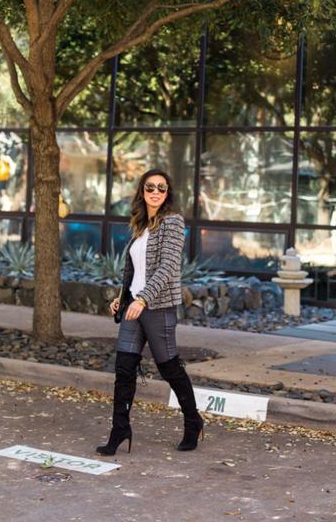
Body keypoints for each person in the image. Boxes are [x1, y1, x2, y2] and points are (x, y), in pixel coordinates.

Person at [96, 168, 204, 456]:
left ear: (168, 193)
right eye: (150, 187)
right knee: (123, 369)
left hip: (157, 307)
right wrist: (122, 297)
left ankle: (193, 421)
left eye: (161, 188)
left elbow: (168, 268)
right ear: (141, 191)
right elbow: (136, 270)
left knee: (169, 368)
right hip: (135, 304)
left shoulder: (173, 222)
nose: (155, 192)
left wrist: (142, 300)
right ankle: (120, 429)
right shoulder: (141, 225)